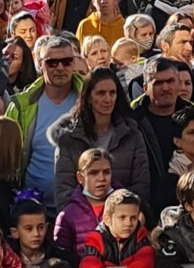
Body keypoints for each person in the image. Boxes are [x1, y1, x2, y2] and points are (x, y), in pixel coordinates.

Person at [50, 68, 151, 209]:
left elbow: (142, 186)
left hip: (124, 215)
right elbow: (64, 193)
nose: (108, 99)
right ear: (88, 97)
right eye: (101, 93)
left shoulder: (131, 133)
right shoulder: (69, 138)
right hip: (80, 217)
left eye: (112, 93)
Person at [6, 35, 83, 210]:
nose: (60, 68)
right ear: (40, 64)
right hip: (33, 209)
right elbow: (7, 159)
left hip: (81, 208)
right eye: (52, 63)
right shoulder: (21, 105)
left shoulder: (90, 98)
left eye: (67, 61)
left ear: (74, 63)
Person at [54, 147, 113, 257]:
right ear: (80, 177)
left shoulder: (125, 207)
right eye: (93, 173)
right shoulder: (68, 215)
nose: (101, 178)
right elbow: (63, 258)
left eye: (106, 172)